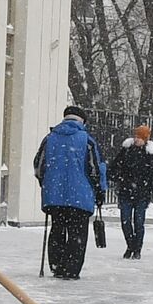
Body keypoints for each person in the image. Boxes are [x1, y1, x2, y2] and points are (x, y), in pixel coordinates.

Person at [34, 106, 107, 279]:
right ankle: (71, 269)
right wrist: (99, 190)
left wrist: (46, 184)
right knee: (78, 233)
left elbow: (38, 166)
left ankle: (56, 265)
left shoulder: (50, 138)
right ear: (82, 121)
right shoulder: (87, 140)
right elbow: (96, 169)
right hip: (80, 197)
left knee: (57, 228)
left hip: (54, 196)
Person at [109, 124, 153, 259]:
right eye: (136, 136)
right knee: (125, 221)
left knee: (138, 222)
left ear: (146, 139)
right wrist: (117, 177)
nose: (137, 139)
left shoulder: (149, 154)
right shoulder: (126, 151)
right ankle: (130, 245)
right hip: (126, 191)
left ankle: (137, 249)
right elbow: (114, 167)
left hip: (142, 194)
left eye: (141, 137)